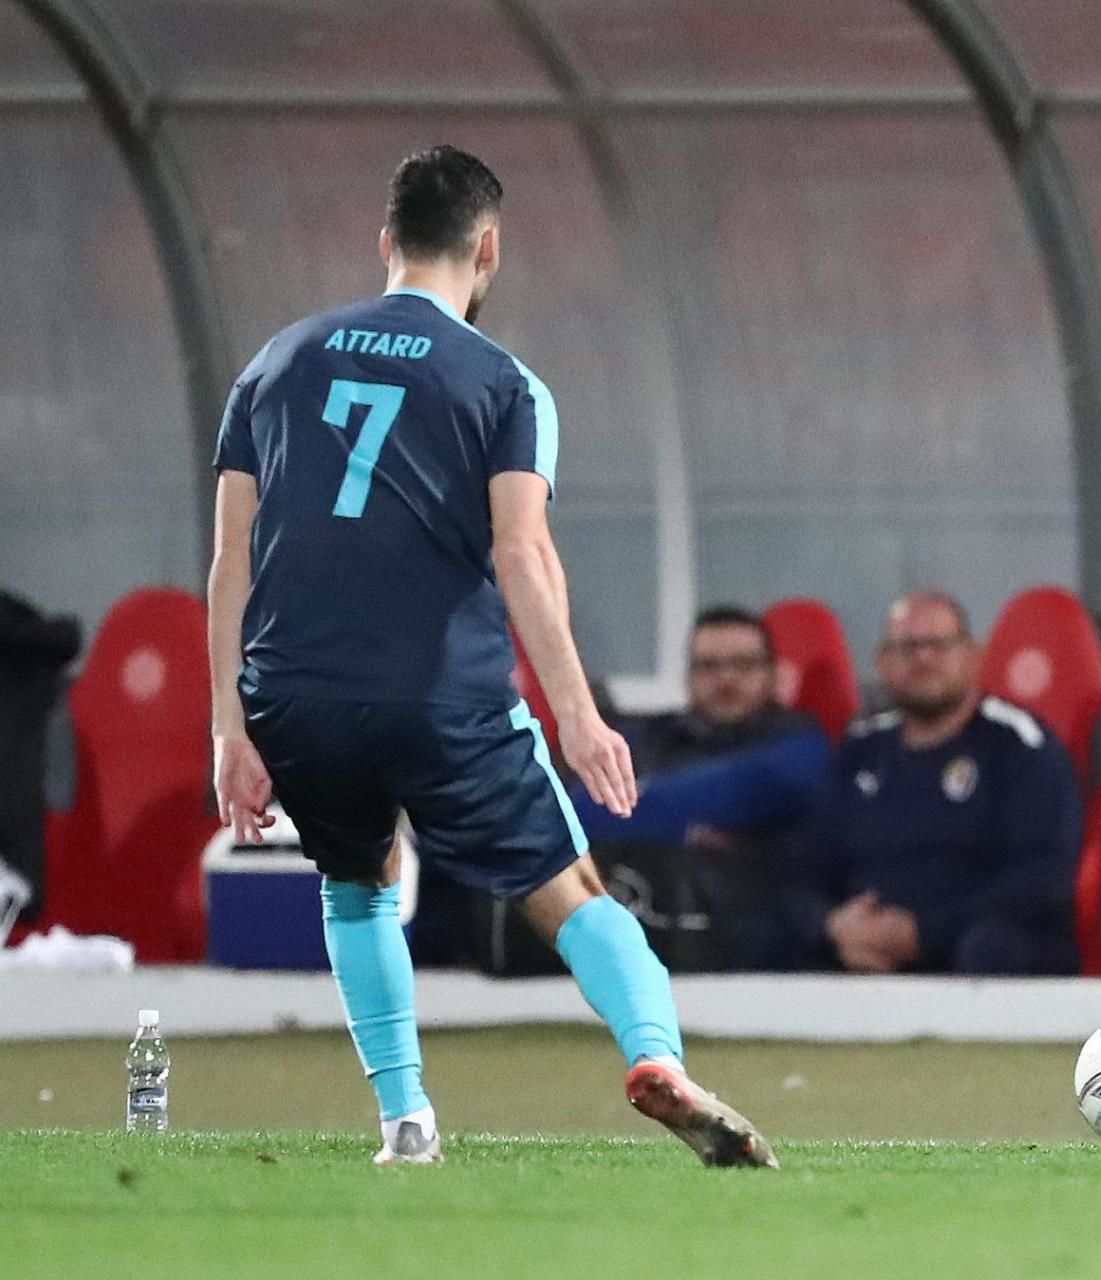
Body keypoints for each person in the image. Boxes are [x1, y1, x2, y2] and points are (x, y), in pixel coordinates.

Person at [206, 145, 774, 1168]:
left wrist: (229, 727)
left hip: (293, 693)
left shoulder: (276, 361)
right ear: (489, 249)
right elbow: (522, 551)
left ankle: (405, 1120)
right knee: (571, 892)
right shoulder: (505, 383)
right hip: (440, 697)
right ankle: (656, 1055)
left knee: (358, 883)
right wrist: (578, 714)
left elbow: (228, 560)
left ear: (386, 241)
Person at [784, 591, 1081, 975]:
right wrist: (833, 926)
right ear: (882, 664)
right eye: (907, 647)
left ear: (972, 656)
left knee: (991, 947)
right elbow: (803, 867)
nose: (924, 658)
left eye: (939, 645)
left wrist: (921, 934)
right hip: (863, 945)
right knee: (765, 937)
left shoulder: (1019, 743)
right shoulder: (860, 748)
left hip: (976, 942)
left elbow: (1042, 878)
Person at [567, 605, 831, 970]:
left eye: (744, 665)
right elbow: (576, 810)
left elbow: (756, 787)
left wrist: (643, 813)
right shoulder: (648, 738)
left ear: (774, 674)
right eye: (709, 666)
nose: (726, 679)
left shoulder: (800, 743)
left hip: (760, 951)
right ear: (689, 676)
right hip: (641, 940)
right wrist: (688, 832)